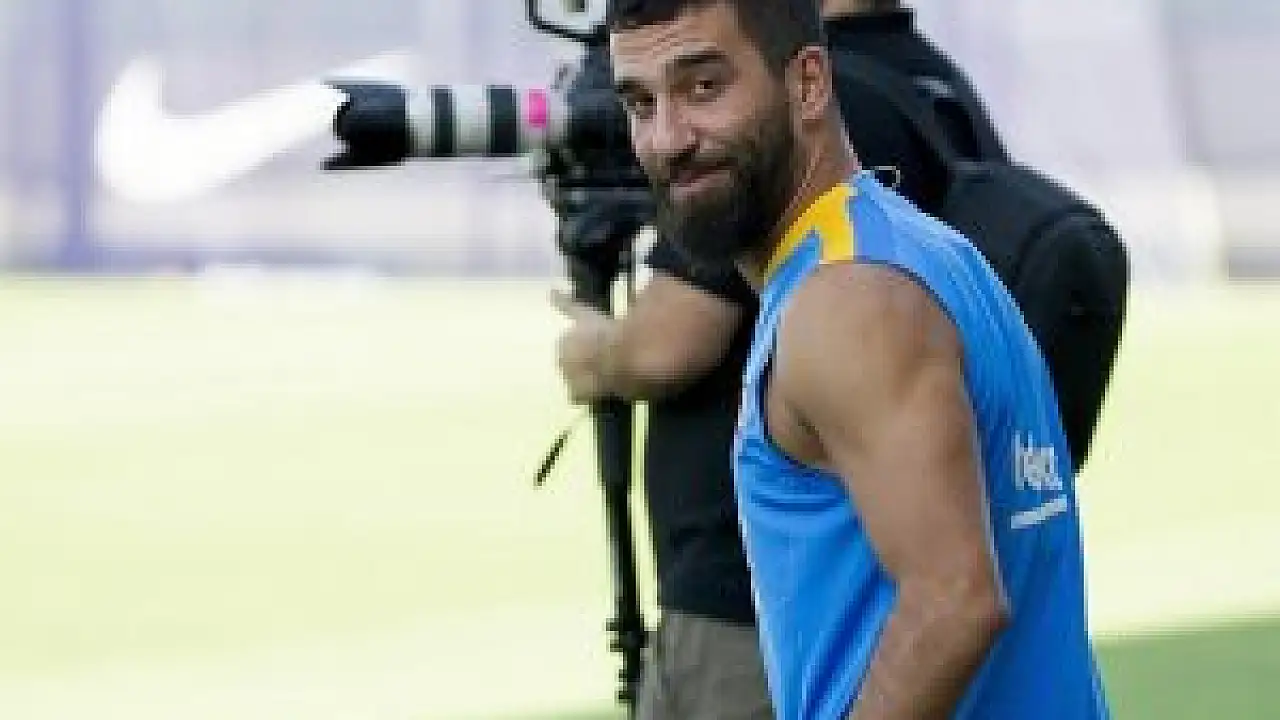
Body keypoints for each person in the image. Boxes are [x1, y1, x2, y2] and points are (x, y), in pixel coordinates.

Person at [596, 0, 1111, 717]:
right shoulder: (909, 249)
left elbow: (955, 601)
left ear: (808, 83)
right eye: (641, 103)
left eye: (704, 86)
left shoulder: (847, 301)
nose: (668, 139)